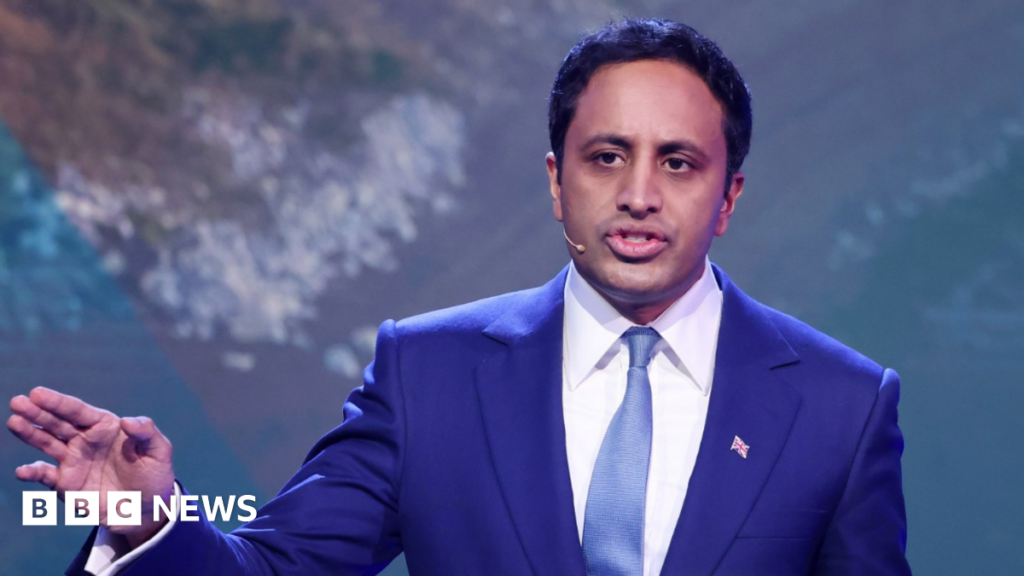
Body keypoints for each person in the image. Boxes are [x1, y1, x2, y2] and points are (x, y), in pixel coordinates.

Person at [7, 18, 912, 576]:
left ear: (729, 196)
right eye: (607, 157)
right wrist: (149, 523)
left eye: (677, 163)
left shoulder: (841, 403)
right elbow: (278, 570)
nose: (639, 194)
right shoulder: (427, 373)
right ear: (556, 181)